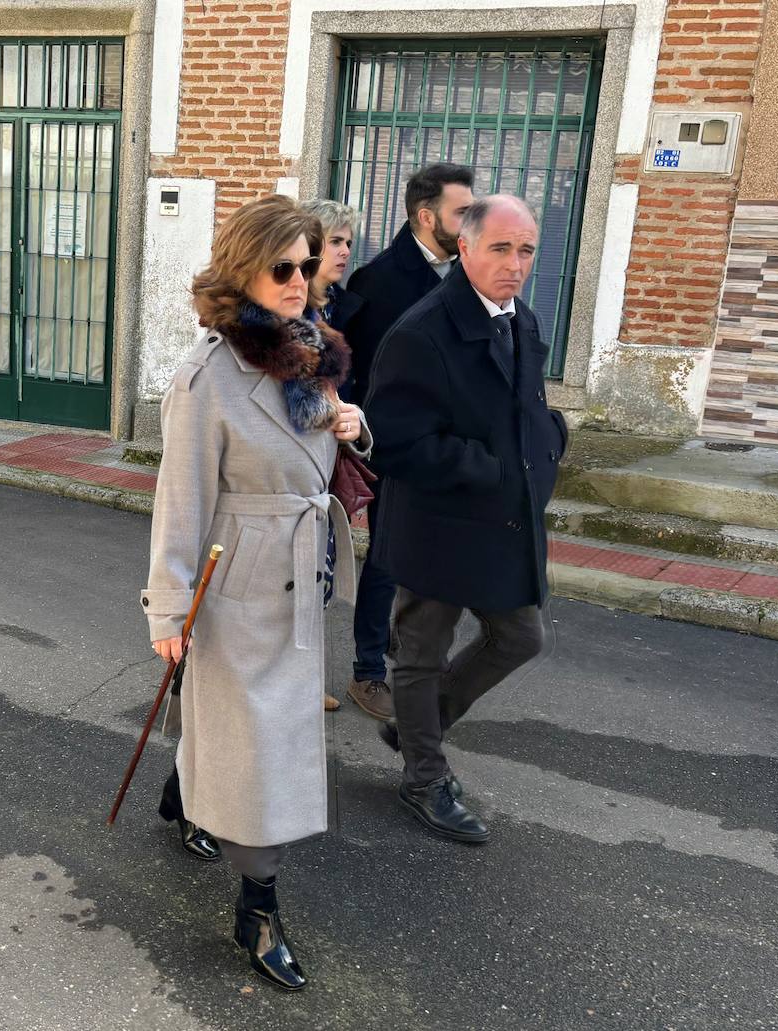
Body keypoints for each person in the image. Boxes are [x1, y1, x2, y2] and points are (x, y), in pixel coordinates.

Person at [143, 194, 369, 991]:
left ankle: (184, 790)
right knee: (260, 751)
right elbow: (181, 499)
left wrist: (353, 424)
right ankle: (258, 906)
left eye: (309, 264)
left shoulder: (311, 351)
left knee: (248, 736)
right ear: (244, 267)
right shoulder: (207, 376)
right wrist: (169, 609)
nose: (301, 279)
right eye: (284, 266)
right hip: (235, 582)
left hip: (302, 574)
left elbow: (324, 432)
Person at [365, 194, 566, 845]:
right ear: (467, 248)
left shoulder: (522, 320)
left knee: (521, 635)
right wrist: (488, 471)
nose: (515, 263)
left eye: (526, 249)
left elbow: (528, 409)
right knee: (422, 650)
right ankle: (424, 775)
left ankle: (415, 725)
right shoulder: (421, 332)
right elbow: (392, 440)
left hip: (504, 523)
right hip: (438, 523)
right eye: (501, 248)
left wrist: (551, 442)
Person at [340, 163, 476, 723]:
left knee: (430, 558)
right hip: (391, 448)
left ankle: (410, 650)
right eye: (461, 212)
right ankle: (368, 673)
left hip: (444, 448)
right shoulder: (379, 282)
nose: (472, 221)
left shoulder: (466, 272)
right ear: (426, 216)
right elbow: (362, 374)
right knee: (387, 561)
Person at [301, 197, 362, 713]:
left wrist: (352, 418)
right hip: (297, 472)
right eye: (335, 241)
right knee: (301, 579)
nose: (344, 251)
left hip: (328, 463)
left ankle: (305, 677)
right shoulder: (294, 316)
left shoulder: (340, 307)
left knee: (317, 577)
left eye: (347, 241)